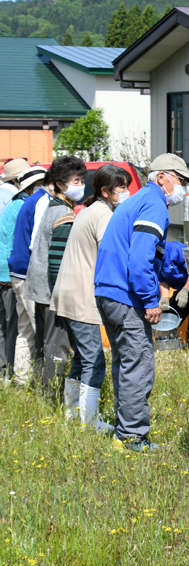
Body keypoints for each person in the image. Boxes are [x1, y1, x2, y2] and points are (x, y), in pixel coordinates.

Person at [95, 153, 189, 452]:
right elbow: (140, 259)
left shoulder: (136, 200)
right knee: (139, 365)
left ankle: (123, 428)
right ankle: (132, 437)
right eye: (181, 180)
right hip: (126, 295)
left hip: (108, 291)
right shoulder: (153, 203)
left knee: (125, 364)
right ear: (163, 176)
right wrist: (150, 299)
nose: (184, 187)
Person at [52, 164, 131, 429]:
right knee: (95, 360)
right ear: (105, 191)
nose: (127, 192)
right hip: (81, 295)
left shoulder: (89, 210)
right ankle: (89, 422)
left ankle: (72, 415)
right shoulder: (103, 216)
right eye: (122, 188)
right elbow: (112, 256)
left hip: (67, 293)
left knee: (81, 357)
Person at [25, 156, 87, 394]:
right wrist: (61, 294)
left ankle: (41, 390)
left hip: (38, 286)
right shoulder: (64, 213)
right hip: (52, 290)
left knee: (42, 342)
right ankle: (52, 396)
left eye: (82, 179)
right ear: (61, 184)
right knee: (56, 345)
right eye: (75, 180)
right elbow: (57, 262)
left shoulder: (52, 205)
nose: (80, 185)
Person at [0, 166, 45, 385]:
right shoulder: (29, 204)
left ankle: (19, 378)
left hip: (10, 272)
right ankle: (35, 379)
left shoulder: (15, 204)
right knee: (28, 328)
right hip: (18, 273)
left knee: (20, 329)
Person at [9, 163, 52, 387]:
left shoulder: (27, 202)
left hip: (17, 271)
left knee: (24, 330)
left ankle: (22, 381)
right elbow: (39, 243)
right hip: (29, 273)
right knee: (39, 331)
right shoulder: (43, 201)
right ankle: (43, 384)